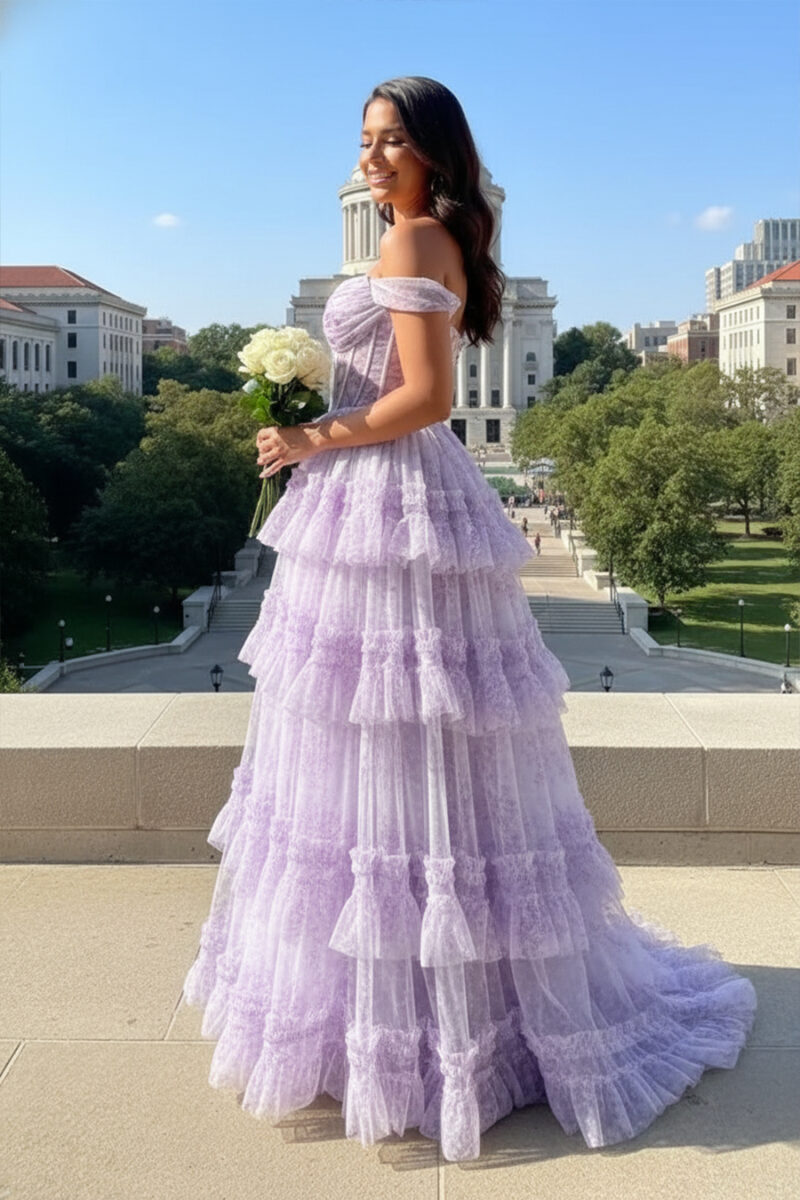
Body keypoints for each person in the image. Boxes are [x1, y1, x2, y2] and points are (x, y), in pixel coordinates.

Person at [182, 75, 756, 1165]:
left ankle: (424, 1035)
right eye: (363, 141)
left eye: (390, 141)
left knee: (393, 738)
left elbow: (427, 399)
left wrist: (311, 438)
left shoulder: (409, 246)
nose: (370, 157)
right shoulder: (414, 239)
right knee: (390, 741)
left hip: (387, 489)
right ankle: (425, 1012)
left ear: (435, 153)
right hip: (383, 495)